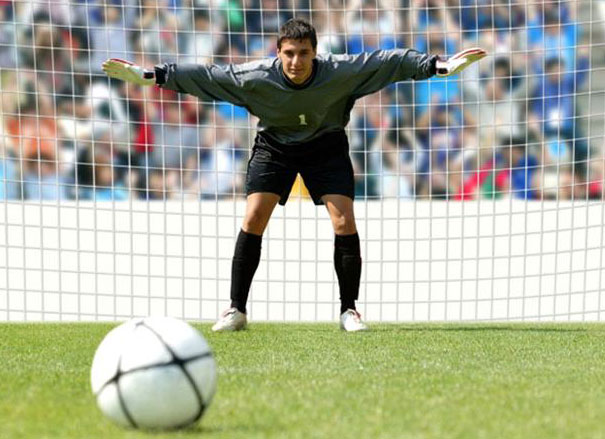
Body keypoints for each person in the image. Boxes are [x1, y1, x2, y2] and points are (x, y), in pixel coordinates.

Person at [102, 18, 486, 332]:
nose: (296, 61)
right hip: (275, 147)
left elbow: (387, 62)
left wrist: (436, 65)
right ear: (278, 53)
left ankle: (349, 309)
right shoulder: (255, 76)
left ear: (315, 53)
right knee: (254, 216)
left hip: (326, 145)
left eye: (303, 53)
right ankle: (236, 309)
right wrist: (155, 75)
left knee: (343, 219)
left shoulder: (340, 72)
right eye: (289, 53)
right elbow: (208, 76)